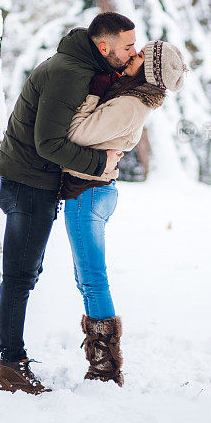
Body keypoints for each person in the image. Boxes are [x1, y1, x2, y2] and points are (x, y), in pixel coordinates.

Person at [0, 12, 138, 394]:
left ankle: (10, 360)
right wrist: (101, 163)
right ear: (103, 47)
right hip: (28, 182)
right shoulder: (70, 73)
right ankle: (10, 364)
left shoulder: (81, 66)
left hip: (35, 182)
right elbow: (49, 143)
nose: (132, 51)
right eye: (127, 46)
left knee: (26, 273)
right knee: (20, 276)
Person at [61, 40, 188, 386]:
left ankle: (105, 367)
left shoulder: (131, 104)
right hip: (92, 192)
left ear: (151, 70)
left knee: (92, 279)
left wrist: (89, 95)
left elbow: (75, 133)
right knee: (86, 279)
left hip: (88, 193)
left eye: (142, 55)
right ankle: (102, 363)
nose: (134, 54)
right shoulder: (130, 97)